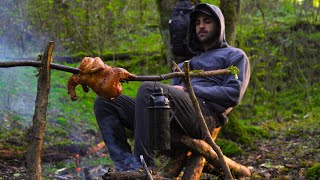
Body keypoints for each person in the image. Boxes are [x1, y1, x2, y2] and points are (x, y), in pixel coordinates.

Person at [94, 3, 250, 172]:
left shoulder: (234, 55)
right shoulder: (185, 64)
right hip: (170, 123)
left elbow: (234, 94)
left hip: (203, 117)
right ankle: (125, 166)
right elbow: (168, 96)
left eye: (207, 21)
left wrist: (190, 90)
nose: (201, 26)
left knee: (149, 89)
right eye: (197, 23)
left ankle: (142, 167)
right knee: (106, 101)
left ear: (220, 26)